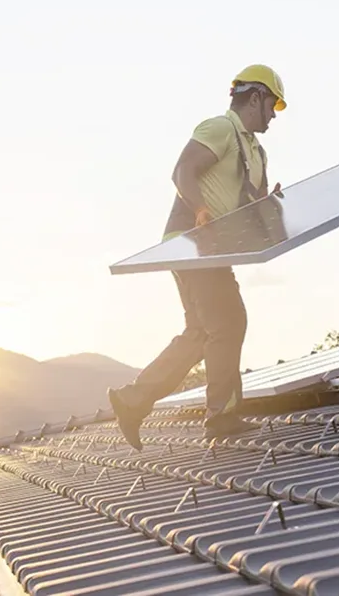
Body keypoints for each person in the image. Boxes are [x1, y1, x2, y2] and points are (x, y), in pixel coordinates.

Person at [108, 64, 287, 448]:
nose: (273, 114)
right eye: (272, 104)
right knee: (228, 320)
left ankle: (133, 399)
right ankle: (221, 416)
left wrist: (268, 204)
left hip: (210, 247)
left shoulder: (256, 152)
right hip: (192, 241)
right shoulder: (219, 128)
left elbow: (247, 206)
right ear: (254, 98)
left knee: (202, 331)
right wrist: (200, 209)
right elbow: (183, 170)